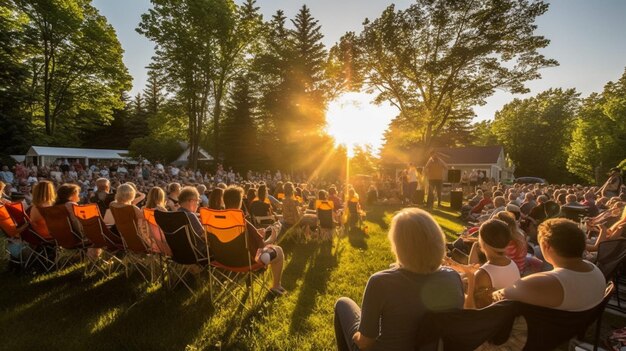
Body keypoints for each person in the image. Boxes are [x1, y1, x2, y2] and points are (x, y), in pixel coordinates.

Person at [334, 208, 464, 351]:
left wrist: (357, 336)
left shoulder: (380, 282)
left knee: (343, 304)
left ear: (398, 246)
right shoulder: (453, 277)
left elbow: (365, 343)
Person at [493, 218, 606, 312]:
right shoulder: (595, 271)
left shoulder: (543, 282)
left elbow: (496, 298)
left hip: (537, 335)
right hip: (568, 329)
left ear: (547, 246)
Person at [223, 186, 286, 295]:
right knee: (279, 250)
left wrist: (256, 234)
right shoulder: (241, 220)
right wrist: (272, 237)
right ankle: (276, 286)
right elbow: (261, 247)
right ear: (239, 201)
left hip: (223, 259)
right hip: (246, 261)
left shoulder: (218, 219)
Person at [448, 219, 520, 309]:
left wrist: (470, 279)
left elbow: (470, 309)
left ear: (482, 243)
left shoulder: (484, 274)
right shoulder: (512, 264)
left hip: (491, 320)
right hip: (506, 317)